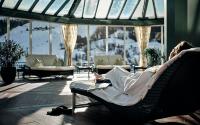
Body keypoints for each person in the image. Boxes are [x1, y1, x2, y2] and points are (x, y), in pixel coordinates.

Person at [92, 41, 193, 106]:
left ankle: (103, 79)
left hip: (136, 84)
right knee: (118, 69)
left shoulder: (167, 68)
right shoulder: (176, 71)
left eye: (175, 49)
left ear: (177, 54)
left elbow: (129, 88)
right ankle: (104, 78)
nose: (172, 50)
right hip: (140, 78)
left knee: (117, 71)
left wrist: (131, 78)